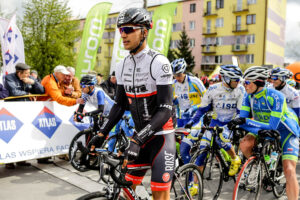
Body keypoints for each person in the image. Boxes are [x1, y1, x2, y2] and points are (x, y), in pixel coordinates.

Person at [88, 8, 175, 199]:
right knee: (125, 193)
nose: (123, 34)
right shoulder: (121, 66)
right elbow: (119, 106)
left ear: (144, 31)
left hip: (161, 138)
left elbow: (165, 108)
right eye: (121, 30)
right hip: (139, 139)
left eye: (128, 29)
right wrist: (101, 133)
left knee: (159, 195)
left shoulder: (159, 62)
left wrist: (137, 140)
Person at [228, 66, 299, 200]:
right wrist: (239, 122)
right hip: (262, 127)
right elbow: (244, 120)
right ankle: (258, 168)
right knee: (244, 144)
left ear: (258, 82)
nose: (245, 85)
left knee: (289, 170)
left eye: (248, 82)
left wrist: (245, 121)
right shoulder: (248, 96)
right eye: (244, 82)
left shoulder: (276, 96)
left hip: (285, 130)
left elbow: (272, 126)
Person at [185, 65, 245, 176]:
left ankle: (235, 158)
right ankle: (195, 186)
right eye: (235, 80)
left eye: (238, 80)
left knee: (221, 138)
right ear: (226, 79)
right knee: (201, 154)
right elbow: (202, 109)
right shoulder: (213, 89)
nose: (237, 82)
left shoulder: (240, 90)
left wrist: (236, 124)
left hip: (229, 124)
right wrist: (192, 121)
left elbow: (240, 112)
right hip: (214, 123)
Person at [4, 63, 45, 168]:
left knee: (24, 135)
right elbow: (13, 92)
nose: (28, 75)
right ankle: (9, 161)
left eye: (28, 73)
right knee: (13, 136)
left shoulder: (30, 78)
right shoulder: (9, 78)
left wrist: (34, 82)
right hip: (13, 111)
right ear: (19, 73)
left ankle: (21, 160)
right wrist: (28, 94)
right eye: (26, 73)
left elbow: (42, 91)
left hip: (27, 111)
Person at [171, 58, 206, 166]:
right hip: (181, 118)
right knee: (180, 148)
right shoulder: (173, 84)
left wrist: (194, 108)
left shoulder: (195, 81)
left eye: (179, 75)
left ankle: (192, 178)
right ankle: (189, 169)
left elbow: (207, 99)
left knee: (184, 149)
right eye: (175, 75)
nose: (177, 78)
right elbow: (171, 100)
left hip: (195, 119)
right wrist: (173, 101)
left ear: (184, 72)